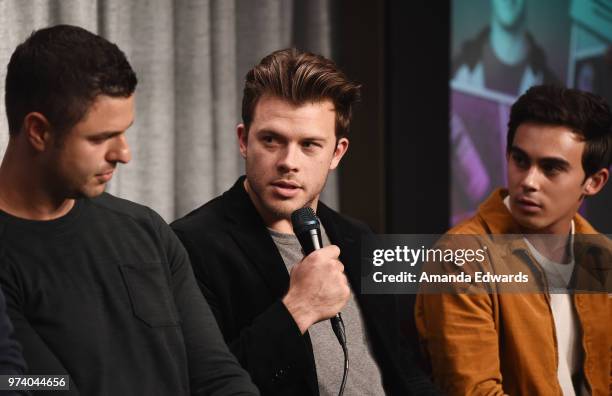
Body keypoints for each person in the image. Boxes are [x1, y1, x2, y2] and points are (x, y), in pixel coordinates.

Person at [0, 25, 259, 396]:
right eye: (100, 138)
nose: (123, 153)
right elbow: (40, 387)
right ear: (38, 131)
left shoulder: (146, 230)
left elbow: (216, 374)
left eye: (124, 133)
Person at [171, 48, 440, 395]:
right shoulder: (190, 245)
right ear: (243, 140)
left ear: (337, 153)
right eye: (271, 140)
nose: (288, 162)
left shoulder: (358, 237)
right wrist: (297, 308)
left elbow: (405, 369)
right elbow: (204, 386)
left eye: (310, 145)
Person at [416, 85, 612, 395]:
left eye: (551, 168)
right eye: (520, 160)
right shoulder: (460, 258)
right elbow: (474, 392)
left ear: (594, 182)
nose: (529, 182)